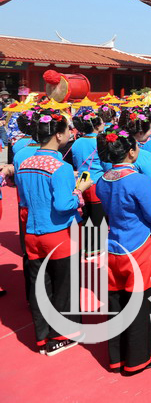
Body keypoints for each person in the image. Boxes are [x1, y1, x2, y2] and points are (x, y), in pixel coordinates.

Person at [17, 110, 92, 355]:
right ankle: (62, 335)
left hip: (32, 232)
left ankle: (42, 336)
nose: (71, 133)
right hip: (58, 234)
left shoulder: (24, 161)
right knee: (64, 287)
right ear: (58, 135)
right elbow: (63, 205)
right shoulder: (59, 167)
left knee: (40, 288)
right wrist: (79, 190)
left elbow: (25, 199)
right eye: (68, 130)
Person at [95, 125, 151, 375]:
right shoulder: (138, 181)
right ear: (131, 152)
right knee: (140, 305)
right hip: (138, 247)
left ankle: (116, 357)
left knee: (116, 304)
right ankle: (138, 359)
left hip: (114, 245)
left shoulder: (101, 181)